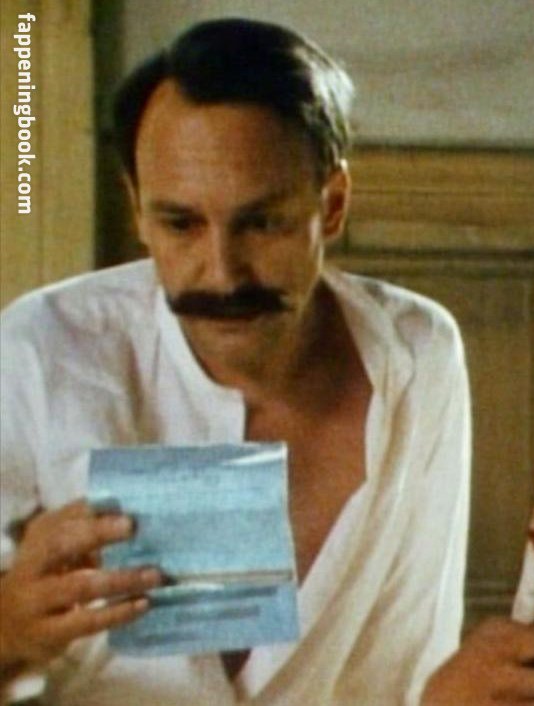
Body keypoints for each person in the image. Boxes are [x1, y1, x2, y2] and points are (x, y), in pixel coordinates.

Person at [0, 18, 470, 706]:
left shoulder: (417, 354)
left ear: (332, 206)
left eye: (262, 223)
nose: (221, 274)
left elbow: (415, 653)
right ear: (137, 211)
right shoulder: (42, 350)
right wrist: (10, 628)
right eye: (180, 224)